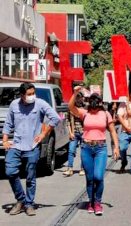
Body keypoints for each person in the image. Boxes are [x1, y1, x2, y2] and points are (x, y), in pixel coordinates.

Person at [3, 82, 61, 216]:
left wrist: (43, 134)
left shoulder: (40, 103)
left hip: (32, 146)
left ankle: (29, 204)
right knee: (10, 172)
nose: (32, 96)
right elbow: (8, 123)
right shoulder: (14, 105)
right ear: (22, 95)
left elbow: (55, 118)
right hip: (16, 145)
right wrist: (5, 140)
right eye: (29, 94)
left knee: (30, 177)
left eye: (33, 93)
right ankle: (20, 199)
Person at [69, 87, 119, 215]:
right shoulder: (85, 113)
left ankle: (98, 202)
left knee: (98, 177)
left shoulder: (106, 114)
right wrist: (75, 93)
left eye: (97, 105)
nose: (95, 108)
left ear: (100, 104)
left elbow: (112, 130)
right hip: (86, 148)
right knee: (90, 178)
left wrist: (116, 147)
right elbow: (71, 107)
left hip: (100, 148)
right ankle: (91, 203)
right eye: (93, 105)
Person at [64, 92, 85, 176]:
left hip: (84, 133)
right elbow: (67, 121)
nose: (79, 99)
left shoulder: (85, 108)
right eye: (77, 97)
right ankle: (70, 168)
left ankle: (83, 168)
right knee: (71, 150)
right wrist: (70, 132)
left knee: (84, 152)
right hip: (74, 133)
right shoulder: (70, 108)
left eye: (80, 97)